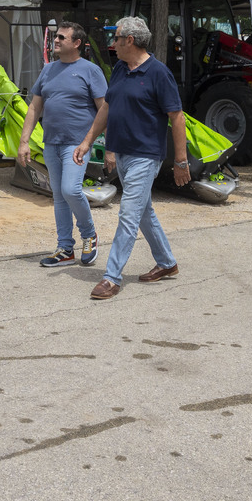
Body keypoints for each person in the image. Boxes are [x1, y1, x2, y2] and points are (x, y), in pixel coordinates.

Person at [74, 17, 189, 300]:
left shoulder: (159, 73)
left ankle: (112, 277)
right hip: (123, 153)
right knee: (143, 211)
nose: (112, 44)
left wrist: (181, 161)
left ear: (130, 40)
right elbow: (107, 109)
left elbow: (177, 117)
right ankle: (166, 262)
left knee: (128, 213)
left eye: (116, 39)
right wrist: (88, 141)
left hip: (145, 156)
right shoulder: (120, 70)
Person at [18, 21, 107, 267]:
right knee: (59, 195)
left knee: (70, 190)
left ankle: (89, 235)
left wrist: (108, 146)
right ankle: (65, 249)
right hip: (51, 143)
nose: (55, 41)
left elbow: (105, 109)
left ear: (76, 43)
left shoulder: (91, 71)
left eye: (61, 37)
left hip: (78, 144)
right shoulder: (48, 70)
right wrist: (24, 142)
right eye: (56, 37)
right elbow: (35, 107)